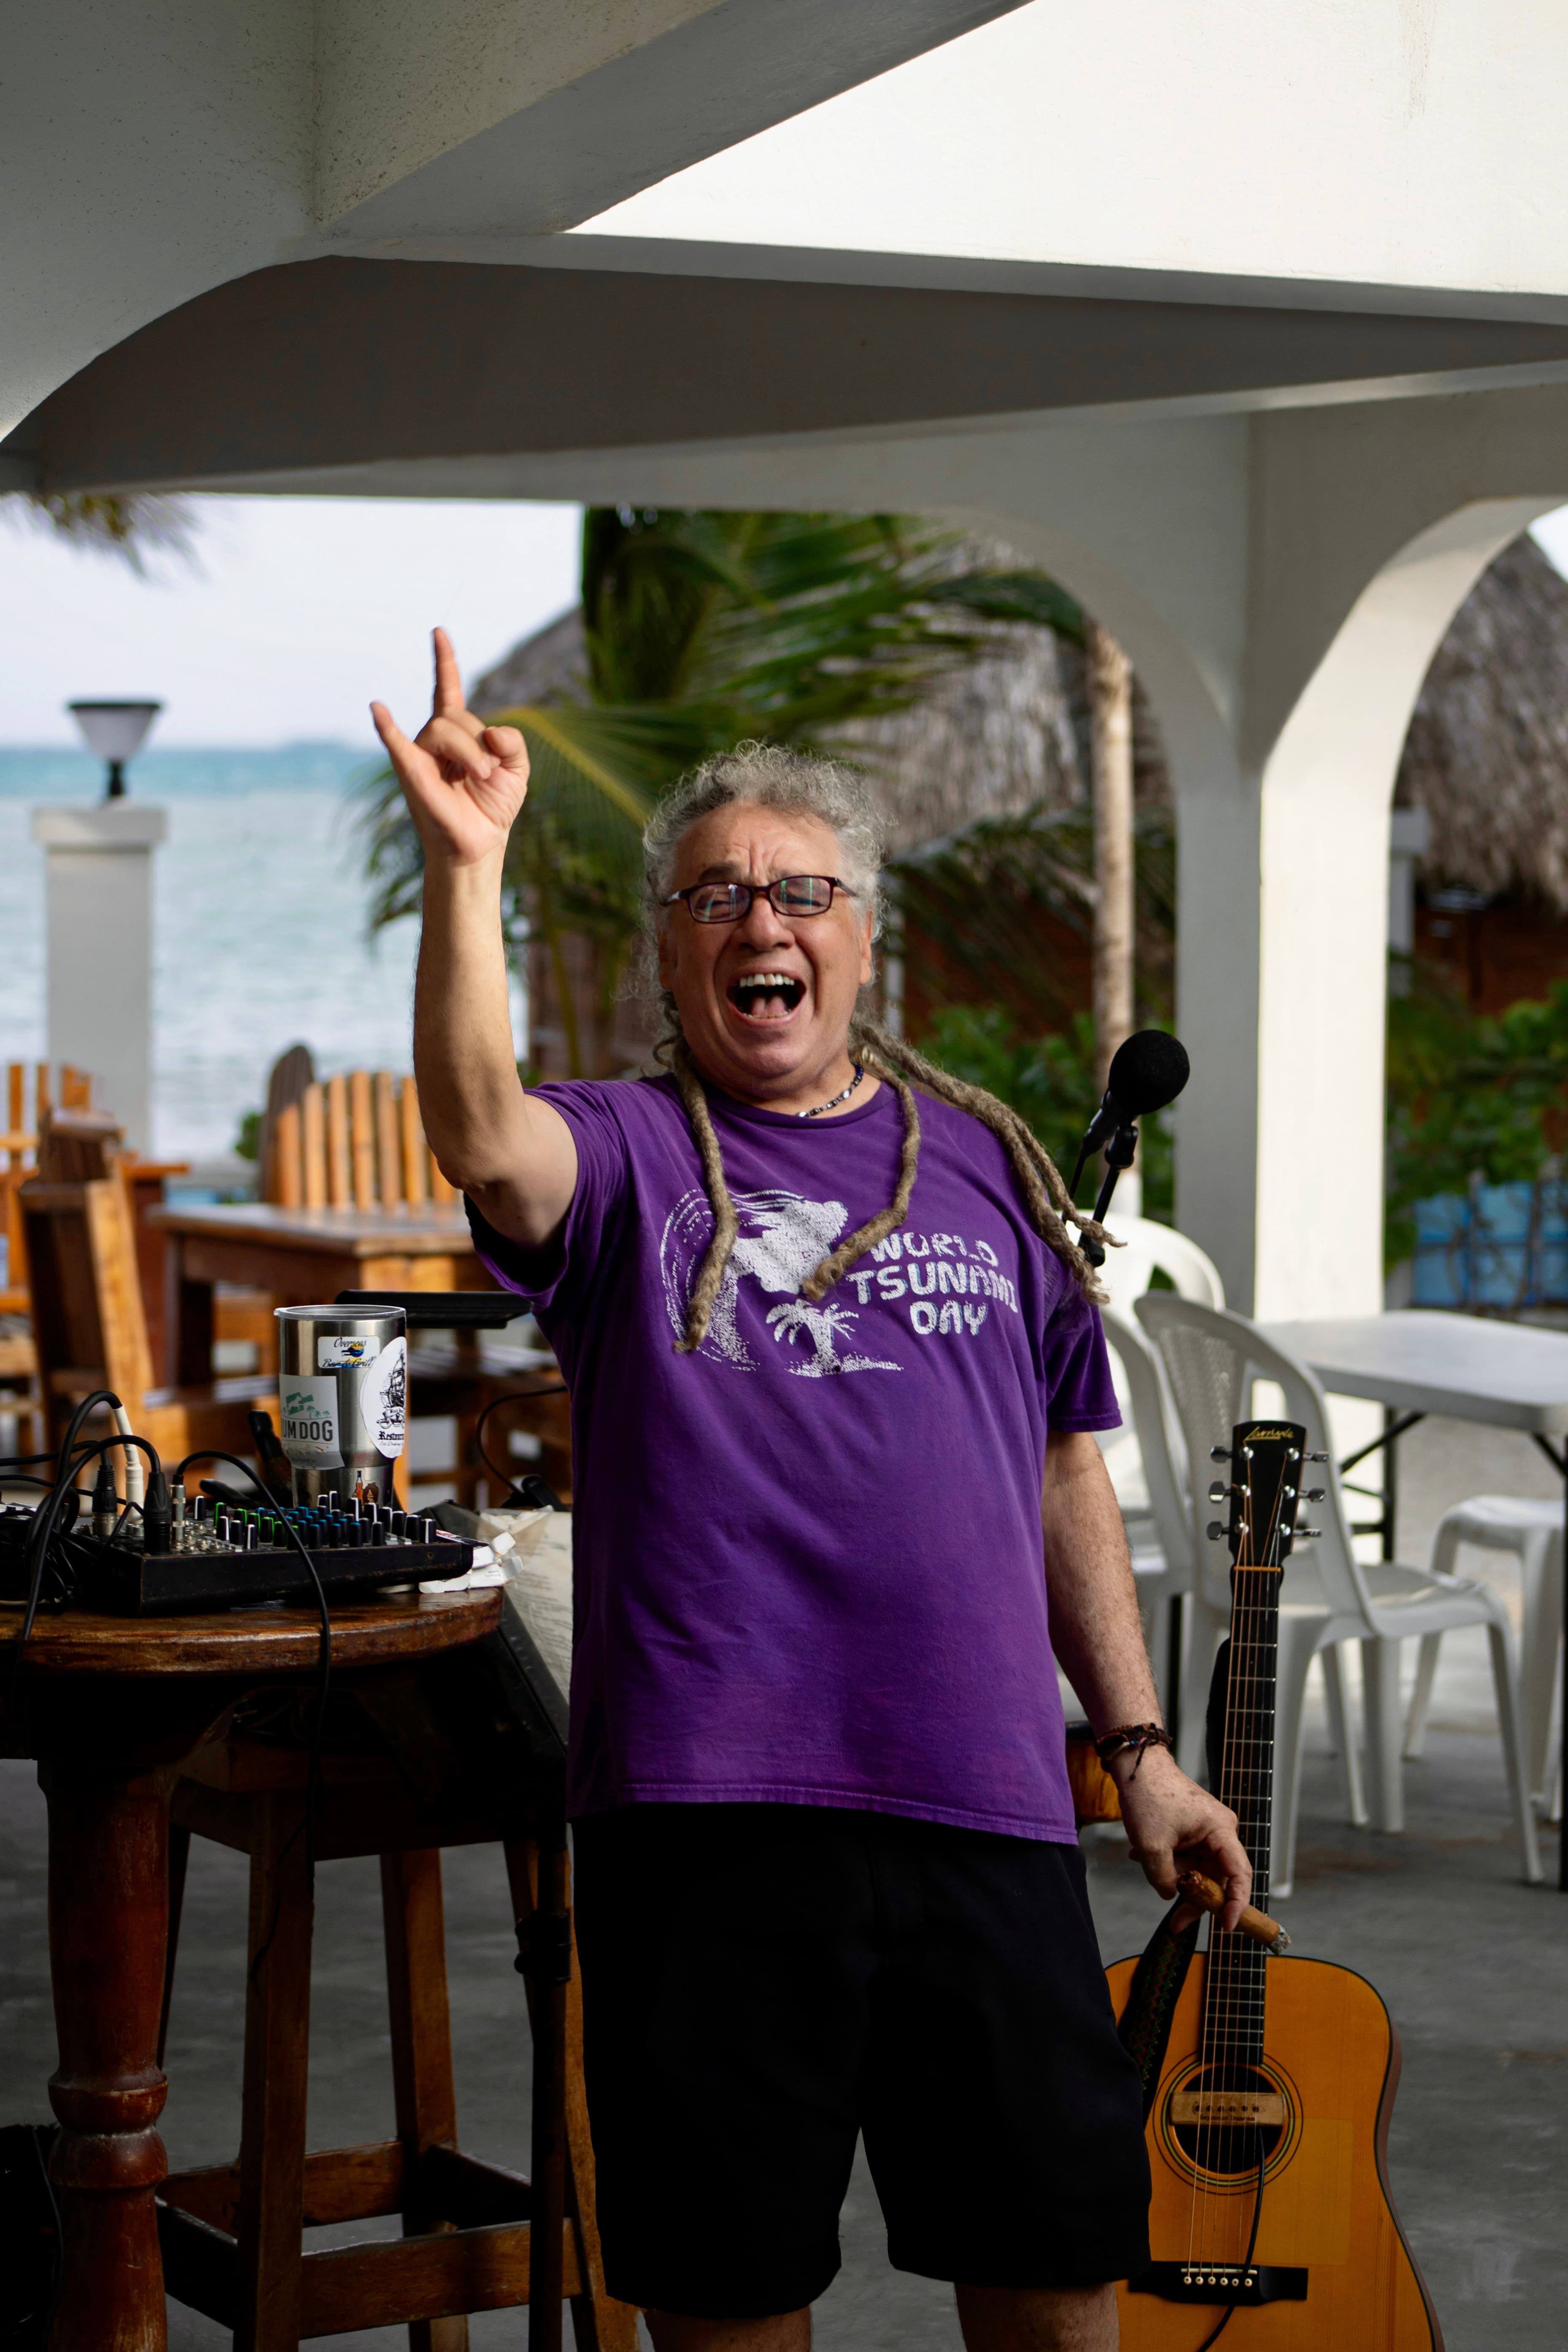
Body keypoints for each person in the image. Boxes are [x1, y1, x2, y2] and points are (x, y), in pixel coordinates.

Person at [373, 632, 1250, 2352]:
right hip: (708, 1818)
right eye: (712, 898)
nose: (756, 921)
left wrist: (1138, 1749)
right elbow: (482, 1137)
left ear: (859, 938)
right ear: (669, 953)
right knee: (725, 2290)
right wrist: (466, 872)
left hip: (984, 1804)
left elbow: (1063, 1462)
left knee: (1057, 2268)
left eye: (796, 890)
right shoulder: (623, 1152)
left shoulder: (989, 1164)